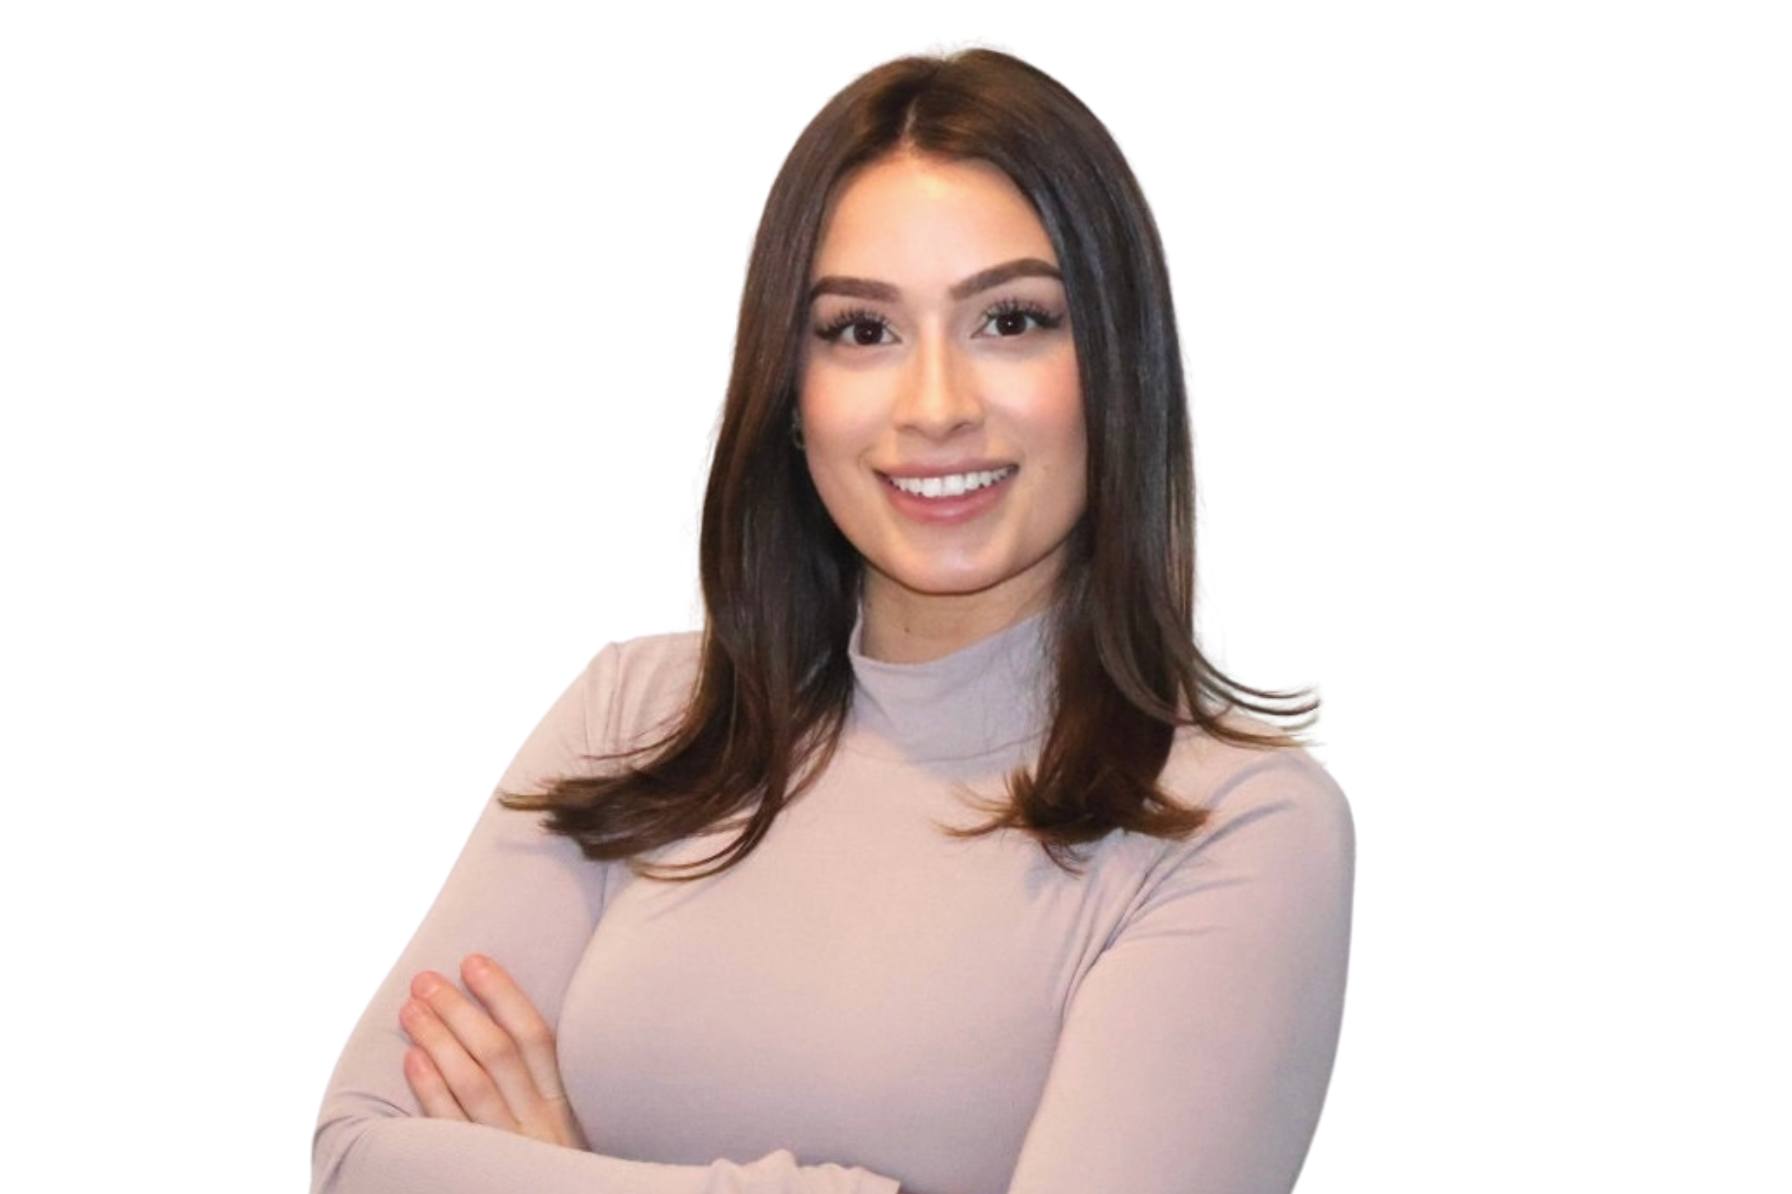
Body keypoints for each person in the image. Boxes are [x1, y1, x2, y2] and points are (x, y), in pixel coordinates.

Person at [310, 46, 1355, 1194]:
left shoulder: (1227, 829)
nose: (937, 407)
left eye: (1010, 320)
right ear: (790, 392)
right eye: (862, 331)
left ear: (1116, 365)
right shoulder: (639, 720)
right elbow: (362, 1156)